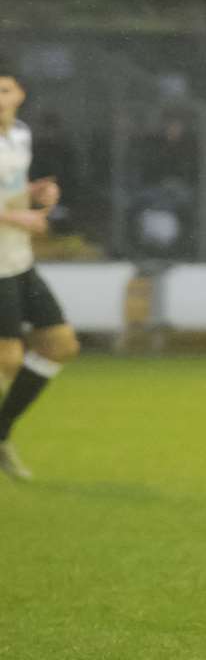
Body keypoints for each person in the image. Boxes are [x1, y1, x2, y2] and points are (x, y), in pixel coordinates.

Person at [0, 61, 81, 481]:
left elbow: (7, 192)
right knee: (8, 358)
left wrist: (33, 194)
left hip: (18, 261)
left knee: (60, 344)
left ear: (20, 95)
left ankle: (1, 430)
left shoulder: (20, 135)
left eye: (4, 91)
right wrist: (22, 219)